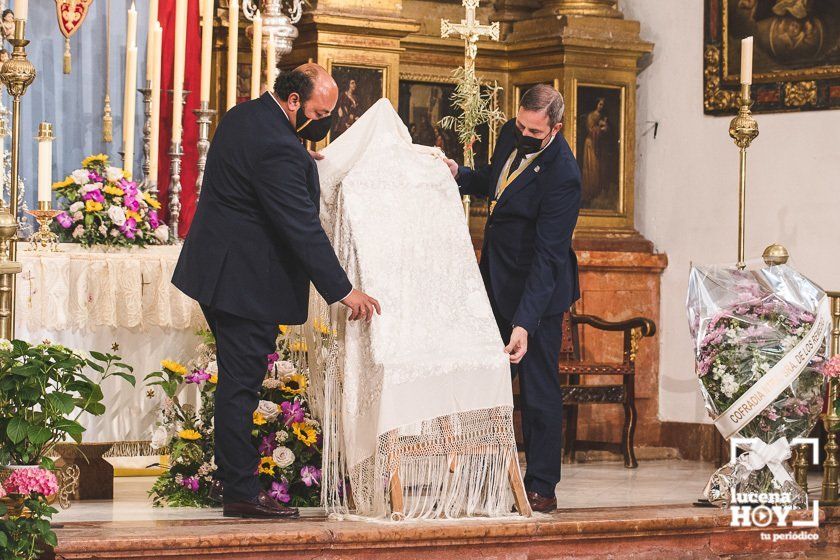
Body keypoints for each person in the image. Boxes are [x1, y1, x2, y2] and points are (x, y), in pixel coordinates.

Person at [172, 63, 381, 519]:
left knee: (236, 382)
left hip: (220, 274)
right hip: (244, 284)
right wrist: (344, 291)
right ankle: (241, 495)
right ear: (292, 102)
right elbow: (300, 228)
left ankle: (235, 484)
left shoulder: (246, 116)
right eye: (319, 112)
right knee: (240, 388)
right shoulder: (279, 148)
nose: (324, 121)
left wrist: (302, 158)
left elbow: (262, 169)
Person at [442, 84, 581, 513]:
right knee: (487, 382)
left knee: (538, 389)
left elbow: (547, 256)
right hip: (495, 277)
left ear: (554, 129)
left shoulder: (564, 175)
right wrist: (460, 174)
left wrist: (525, 323)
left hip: (537, 291)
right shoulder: (511, 132)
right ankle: (483, 475)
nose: (522, 134)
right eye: (520, 124)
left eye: (533, 131)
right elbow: (497, 181)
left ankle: (542, 485)